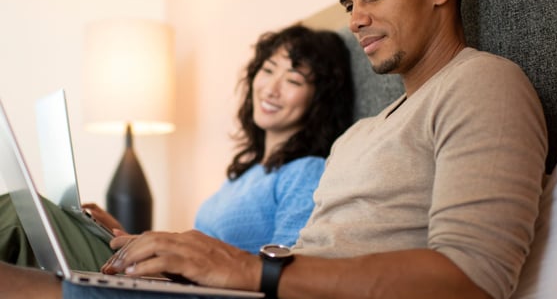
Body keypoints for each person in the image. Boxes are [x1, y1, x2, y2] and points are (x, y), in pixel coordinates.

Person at [0, 0, 547, 299]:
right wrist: (183, 272)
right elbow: (309, 253)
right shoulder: (359, 136)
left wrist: (245, 269)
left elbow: (465, 296)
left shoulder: (483, 83)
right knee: (27, 255)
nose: (355, 18)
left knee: (16, 295)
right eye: (348, 3)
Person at [0, 23, 355, 269]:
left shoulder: (305, 171)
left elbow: (287, 268)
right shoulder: (244, 172)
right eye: (268, 70)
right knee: (30, 226)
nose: (272, 88)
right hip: (172, 276)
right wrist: (127, 234)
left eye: (293, 79)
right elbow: (197, 246)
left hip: (203, 291)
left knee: (17, 215)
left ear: (320, 99)